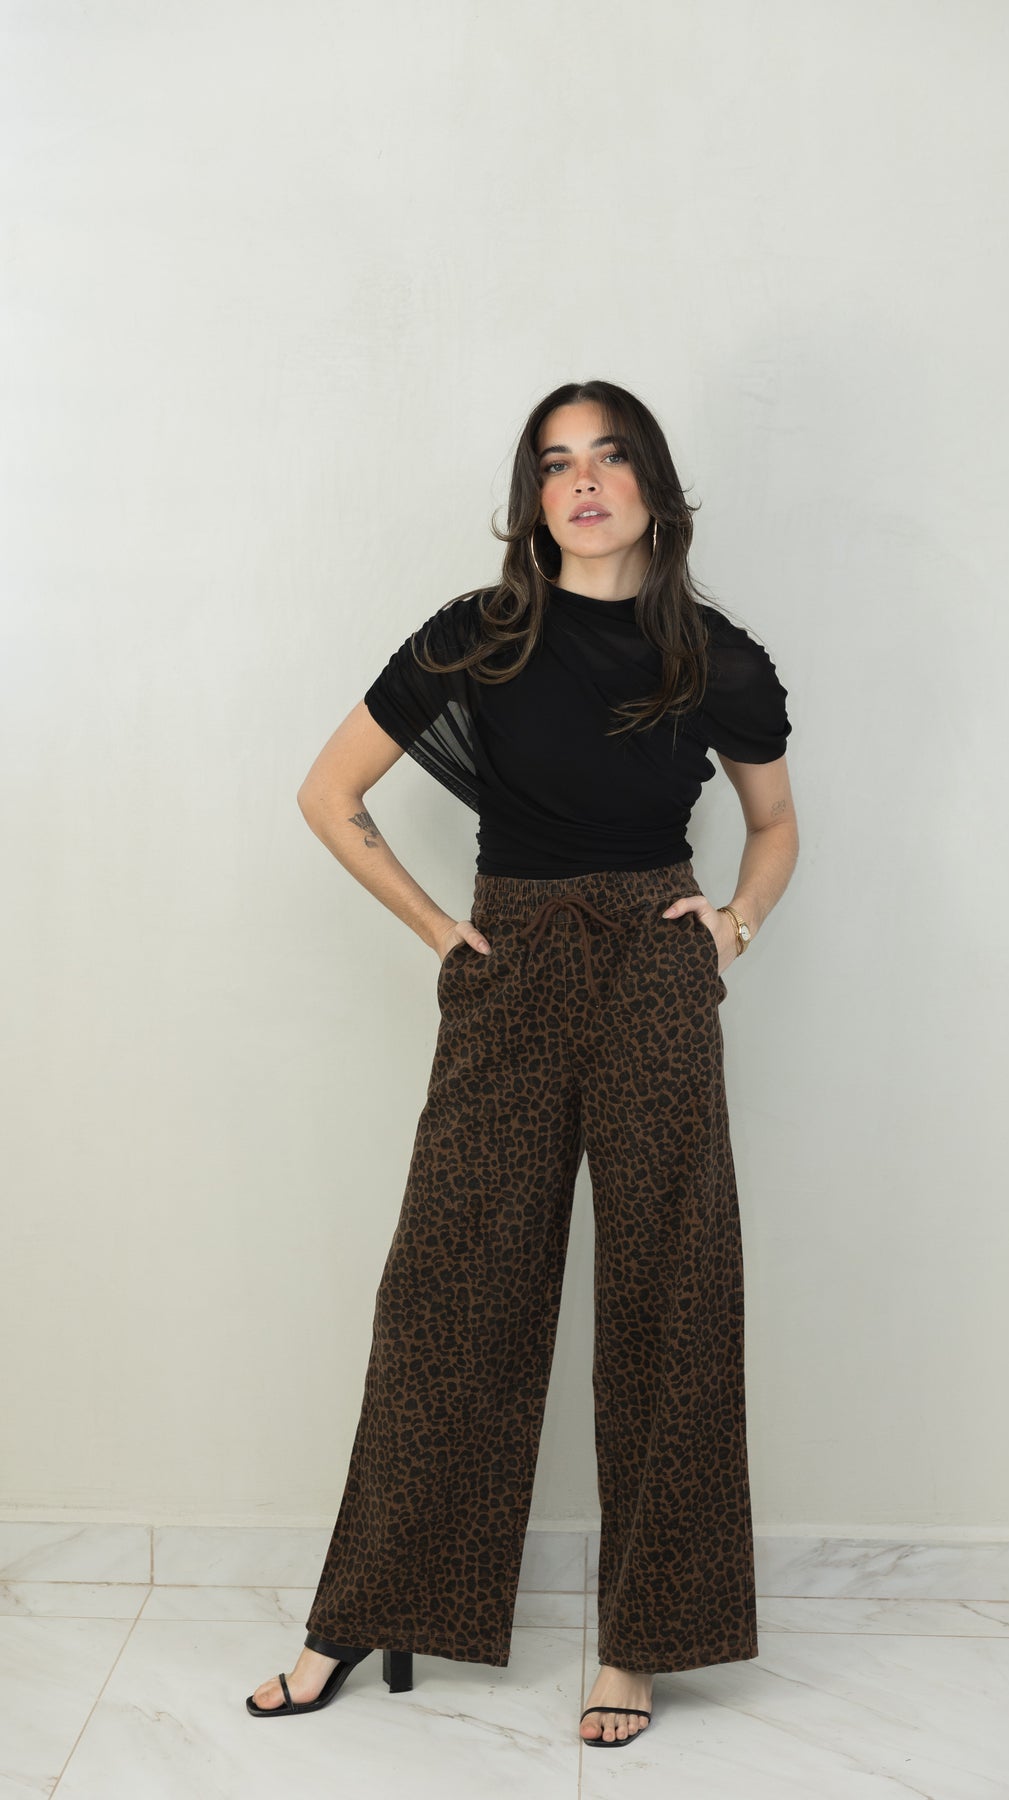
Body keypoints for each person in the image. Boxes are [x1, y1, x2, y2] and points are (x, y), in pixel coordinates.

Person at [246, 379, 798, 1747]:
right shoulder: (477, 636)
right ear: (533, 498)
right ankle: (365, 1610)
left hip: (654, 967)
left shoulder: (718, 659)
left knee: (673, 1291)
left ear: (653, 486)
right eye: (556, 463)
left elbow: (775, 824)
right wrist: (444, 929)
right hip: (512, 963)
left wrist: (732, 924)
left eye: (609, 456)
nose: (584, 481)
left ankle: (642, 1641)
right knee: (449, 1288)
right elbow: (328, 792)